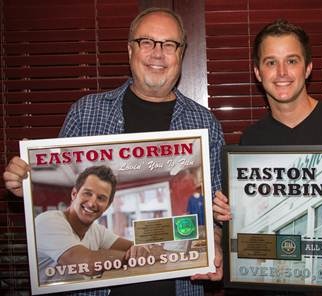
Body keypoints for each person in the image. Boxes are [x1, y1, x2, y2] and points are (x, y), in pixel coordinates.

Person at [3, 7, 224, 296]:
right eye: (147, 42)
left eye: (169, 44)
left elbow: (216, 213)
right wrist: (27, 185)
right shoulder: (86, 112)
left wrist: (215, 244)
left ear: (181, 53)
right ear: (130, 50)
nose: (158, 54)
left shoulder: (204, 122)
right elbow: (80, 257)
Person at [212, 19, 322, 296]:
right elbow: (248, 227)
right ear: (257, 72)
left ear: (308, 67)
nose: (281, 72)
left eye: (291, 60)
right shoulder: (251, 141)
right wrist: (228, 214)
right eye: (270, 62)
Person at [36, 165, 151, 284]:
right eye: (87, 193)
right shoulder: (48, 221)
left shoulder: (97, 230)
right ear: (74, 194)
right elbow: (88, 264)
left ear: (107, 206)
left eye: (101, 198)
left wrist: (141, 248)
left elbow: (141, 247)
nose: (92, 203)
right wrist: (135, 257)